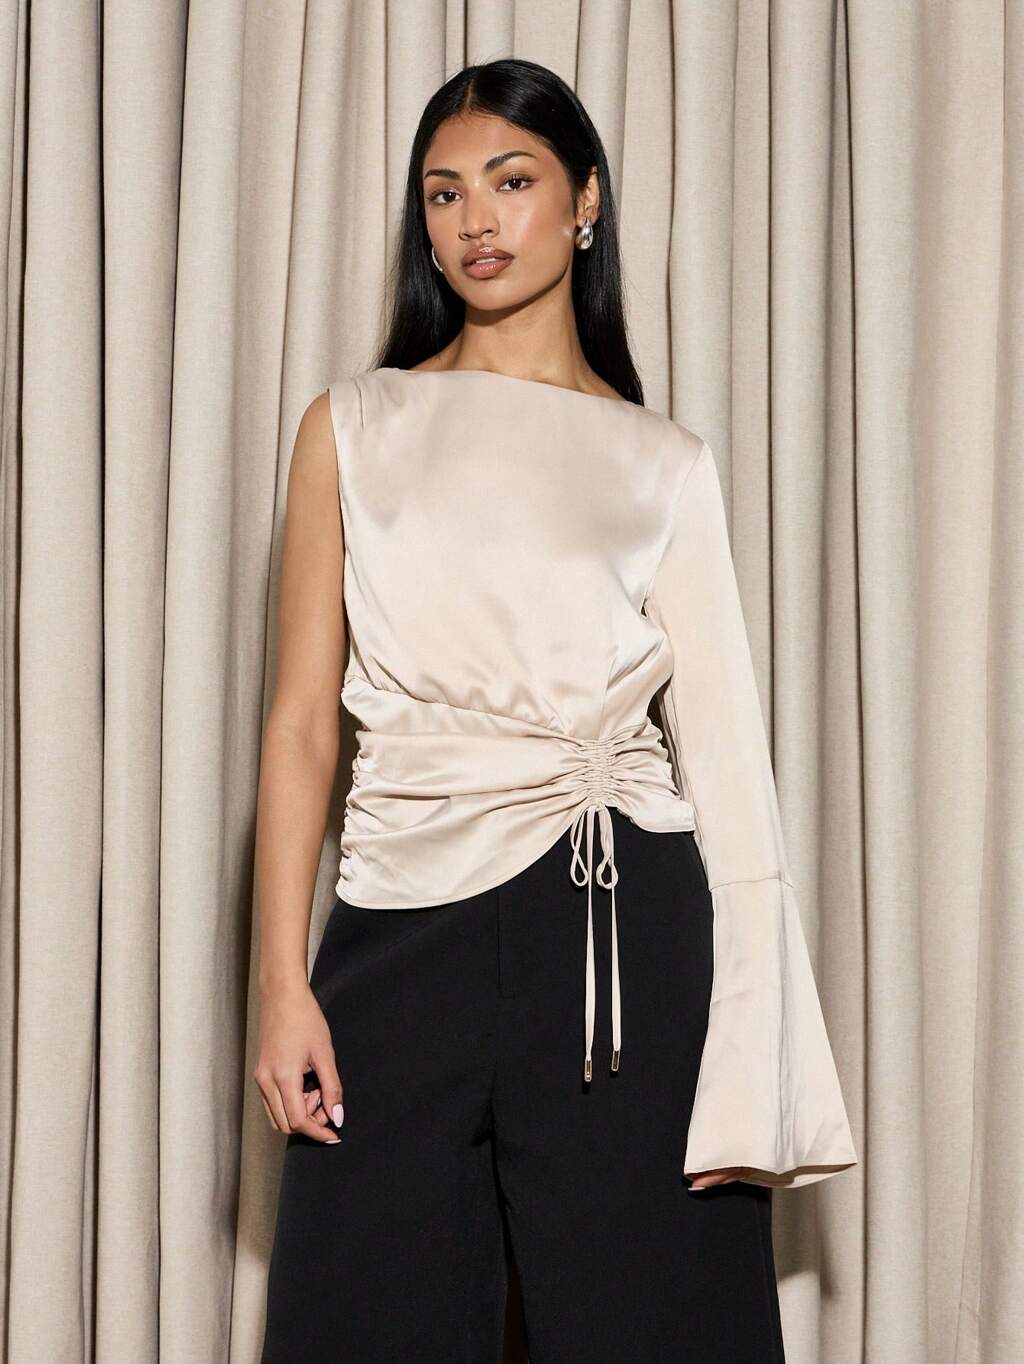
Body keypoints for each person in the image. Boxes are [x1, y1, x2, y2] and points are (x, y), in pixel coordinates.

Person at [255, 57, 856, 1363]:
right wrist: (280, 980)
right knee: (354, 1315)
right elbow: (301, 725)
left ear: (585, 202)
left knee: (662, 1323)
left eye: (511, 182)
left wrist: (752, 1068)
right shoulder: (353, 426)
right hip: (399, 926)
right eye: (444, 193)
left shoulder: (661, 461)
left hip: (617, 932)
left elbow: (731, 773)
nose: (476, 219)